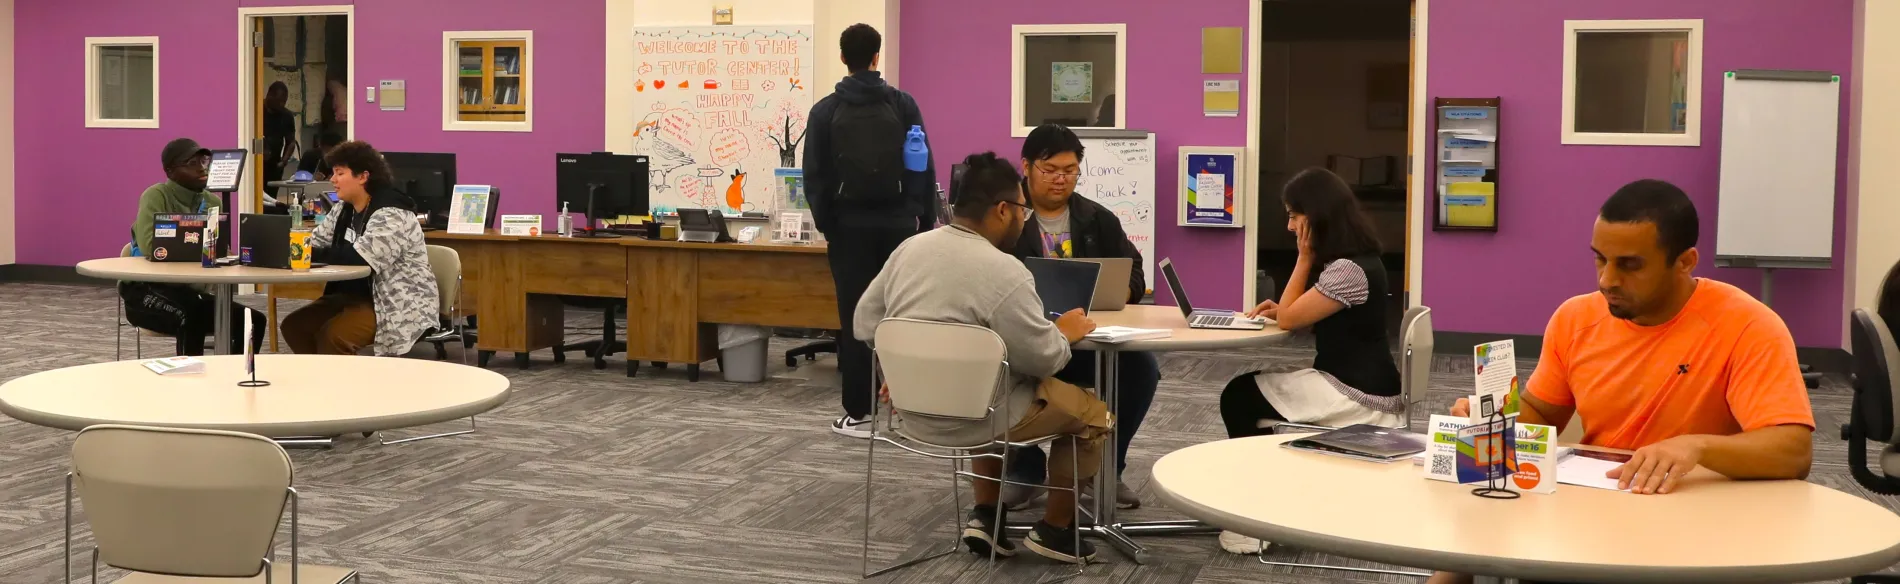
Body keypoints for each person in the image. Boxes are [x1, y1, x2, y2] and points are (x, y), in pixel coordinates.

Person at [1427, 179, 1814, 584]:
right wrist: (1494, 413)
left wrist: (1696, 446)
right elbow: (1543, 415)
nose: (1606, 280)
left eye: (1629, 265)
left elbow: (1792, 451)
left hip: (1695, 525)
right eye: (1600, 259)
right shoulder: (1575, 318)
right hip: (1590, 515)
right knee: (1477, 509)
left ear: (1684, 262)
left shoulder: (1748, 325)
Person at [854, 151, 1110, 563]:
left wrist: (903, 367)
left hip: (910, 409)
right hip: (982, 415)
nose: (1024, 219)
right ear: (1004, 209)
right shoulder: (1005, 271)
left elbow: (866, 325)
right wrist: (1064, 332)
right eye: (1022, 210)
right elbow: (1045, 360)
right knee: (1095, 416)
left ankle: (986, 518)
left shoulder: (910, 249)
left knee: (983, 382)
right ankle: (1056, 531)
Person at [1215, 168, 1405, 554]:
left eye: (1293, 216)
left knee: (1238, 397)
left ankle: (1253, 522)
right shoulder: (1358, 260)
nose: (1289, 226)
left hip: (1356, 394)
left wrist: (1304, 258)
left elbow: (1288, 318)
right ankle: (1266, 503)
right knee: (1245, 392)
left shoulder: (1347, 270)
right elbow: (1294, 313)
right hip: (1360, 381)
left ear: (1314, 217)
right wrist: (1288, 307)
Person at [1000, 124, 1157, 512]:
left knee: (1141, 370)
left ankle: (1106, 466)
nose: (1060, 179)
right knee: (1002, 369)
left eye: (1070, 171)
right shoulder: (1005, 218)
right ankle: (1026, 468)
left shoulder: (1095, 218)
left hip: (1087, 338)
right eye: (1050, 169)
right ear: (1026, 166)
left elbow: (1135, 272)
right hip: (1028, 338)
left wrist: (1119, 291)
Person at [803, 23, 937, 438]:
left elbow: (815, 178)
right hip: (898, 226)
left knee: (857, 318)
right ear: (877, 57)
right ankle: (909, 409)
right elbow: (922, 162)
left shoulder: (825, 111)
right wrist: (922, 218)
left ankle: (859, 413)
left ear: (843, 58)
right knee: (901, 315)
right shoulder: (903, 104)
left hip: (849, 229)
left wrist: (830, 224)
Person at [281, 141, 438, 356]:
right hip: (353, 295)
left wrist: (306, 253)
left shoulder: (392, 213)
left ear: (363, 176)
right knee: (295, 326)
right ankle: (322, 380)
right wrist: (290, 246)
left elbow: (363, 257)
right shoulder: (343, 209)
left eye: (339, 173)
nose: (332, 180)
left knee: (334, 336)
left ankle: (344, 387)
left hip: (393, 301)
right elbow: (315, 240)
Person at [121, 138, 267, 356]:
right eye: (192, 163)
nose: (202, 168)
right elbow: (154, 248)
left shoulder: (212, 202)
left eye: (204, 161)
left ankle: (234, 375)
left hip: (189, 292)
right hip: (146, 291)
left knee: (253, 320)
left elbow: (217, 251)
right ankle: (190, 382)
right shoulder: (156, 196)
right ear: (171, 170)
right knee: (191, 316)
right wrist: (202, 246)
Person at [262, 82, 299, 183]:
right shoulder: (257, 111)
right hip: (256, 164)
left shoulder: (286, 115)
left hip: (275, 165)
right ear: (269, 95)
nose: (282, 104)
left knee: (272, 197)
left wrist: (283, 161)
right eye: (279, 101)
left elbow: (291, 142)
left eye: (284, 101)